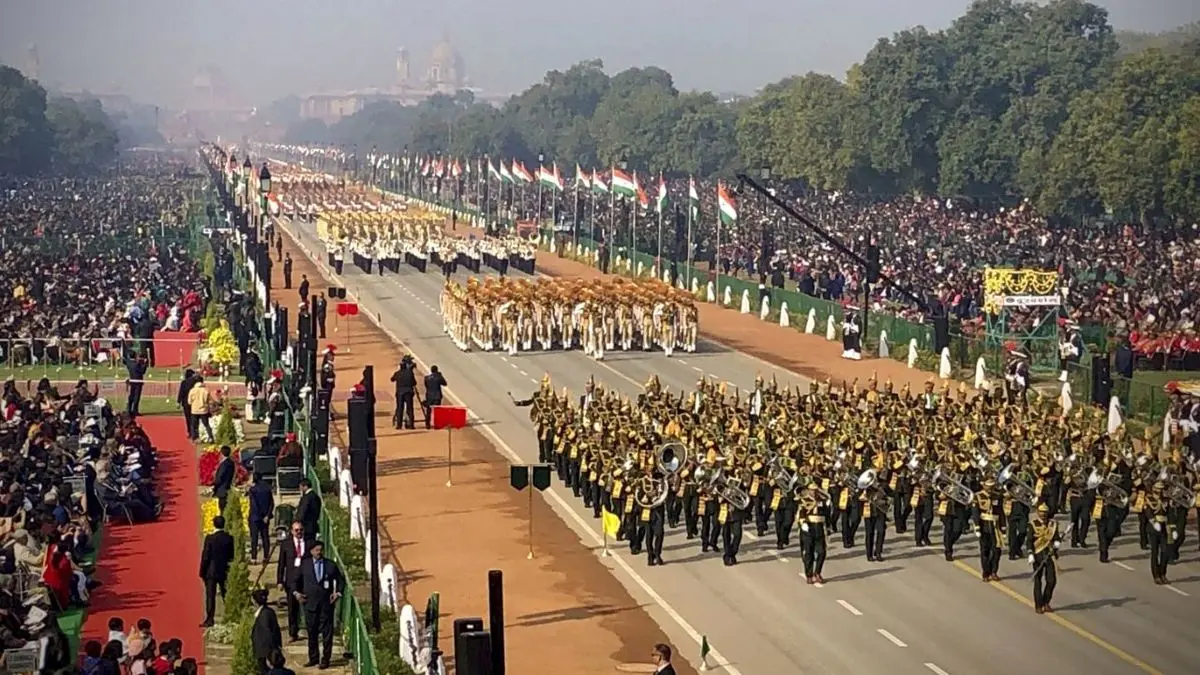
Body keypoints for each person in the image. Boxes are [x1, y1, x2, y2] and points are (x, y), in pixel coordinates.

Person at [297, 541, 344, 669]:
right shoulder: (305, 564)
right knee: (312, 633)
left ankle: (325, 659)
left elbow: (340, 581)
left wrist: (337, 593)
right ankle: (313, 658)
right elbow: (296, 581)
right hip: (310, 604)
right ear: (311, 551)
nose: (319, 552)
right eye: (317, 550)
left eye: (320, 550)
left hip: (326, 605)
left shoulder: (330, 565)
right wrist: (297, 594)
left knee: (327, 634)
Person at [277, 521, 314, 643]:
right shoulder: (286, 544)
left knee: (308, 606)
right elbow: (281, 563)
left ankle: (311, 630)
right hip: (291, 580)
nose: (299, 532)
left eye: (301, 530)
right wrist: (280, 580)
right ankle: (293, 632)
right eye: (296, 530)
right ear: (292, 531)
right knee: (292, 608)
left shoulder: (309, 543)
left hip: (305, 579)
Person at [199, 515, 235, 627]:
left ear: (214, 524)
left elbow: (205, 556)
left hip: (211, 571)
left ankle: (210, 619)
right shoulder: (229, 538)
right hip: (224, 570)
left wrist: (202, 571)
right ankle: (230, 615)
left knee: (210, 596)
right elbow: (231, 555)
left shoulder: (210, 538)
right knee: (226, 594)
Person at [1028, 503, 1060, 614]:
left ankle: (1046, 602)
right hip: (1037, 555)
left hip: (1049, 555)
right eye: (1041, 512)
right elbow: (1029, 541)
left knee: (1051, 581)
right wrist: (1030, 553)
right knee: (1038, 582)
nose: (1043, 514)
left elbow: (1056, 537)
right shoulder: (1033, 524)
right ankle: (1038, 605)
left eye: (1045, 512)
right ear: (1038, 512)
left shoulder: (1053, 524)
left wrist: (1057, 543)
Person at [251, 588, 283, 673]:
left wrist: (272, 650)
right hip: (267, 650)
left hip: (265, 652)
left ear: (255, 602)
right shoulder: (269, 611)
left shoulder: (264, 614)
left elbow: (267, 633)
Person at [248, 474, 275, 563]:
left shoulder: (253, 490)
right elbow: (271, 503)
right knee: (265, 537)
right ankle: (266, 556)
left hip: (255, 517)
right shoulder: (267, 489)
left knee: (254, 538)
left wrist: (260, 515)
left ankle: (254, 557)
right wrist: (267, 515)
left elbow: (254, 505)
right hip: (265, 518)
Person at [391, 355, 418, 429]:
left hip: (400, 393)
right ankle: (411, 425)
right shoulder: (410, 373)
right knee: (410, 408)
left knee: (400, 408)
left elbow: (392, 379)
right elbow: (414, 383)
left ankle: (399, 425)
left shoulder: (397, 373)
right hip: (408, 392)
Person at [188, 377, 213, 441]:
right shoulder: (205, 390)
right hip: (203, 410)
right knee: (206, 424)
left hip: (194, 410)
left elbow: (189, 402)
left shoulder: (192, 390)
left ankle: (194, 438)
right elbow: (209, 401)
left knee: (194, 425)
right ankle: (210, 437)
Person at [212, 446, 236, 511]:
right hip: (228, 487)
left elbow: (220, 477)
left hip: (222, 489)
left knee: (222, 509)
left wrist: (214, 486)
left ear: (221, 454)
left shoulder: (224, 464)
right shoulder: (231, 463)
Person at [125, 352, 148, 416]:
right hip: (138, 382)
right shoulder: (137, 364)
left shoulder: (129, 363)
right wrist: (145, 363)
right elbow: (142, 371)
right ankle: (135, 411)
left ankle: (129, 410)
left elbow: (127, 360)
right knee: (136, 397)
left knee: (131, 396)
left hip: (132, 381)